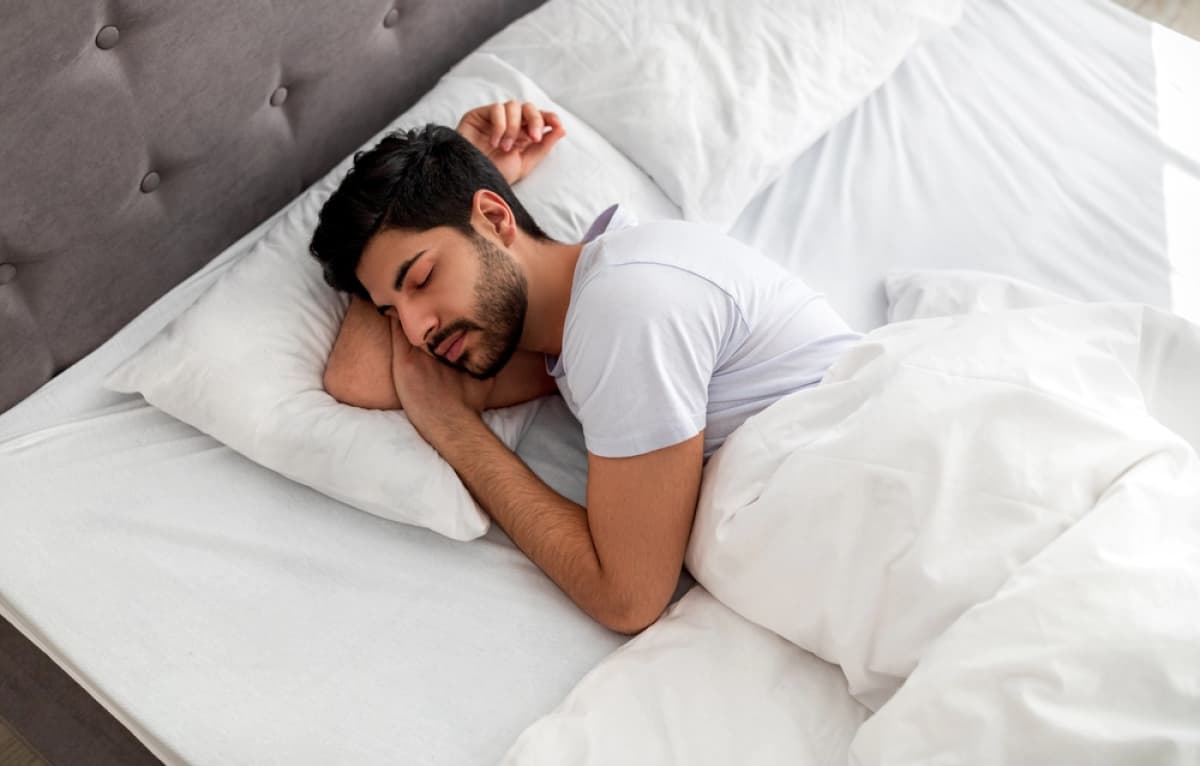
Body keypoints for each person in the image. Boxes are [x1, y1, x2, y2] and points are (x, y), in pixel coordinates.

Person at [309, 101, 862, 634]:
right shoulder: (567, 339)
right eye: (390, 312)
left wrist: (454, 429)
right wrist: (454, 178)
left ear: (496, 218)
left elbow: (628, 598)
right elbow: (358, 380)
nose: (414, 332)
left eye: (422, 278)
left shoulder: (623, 304)